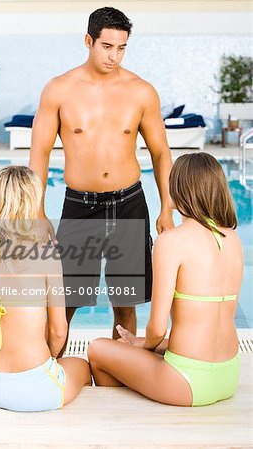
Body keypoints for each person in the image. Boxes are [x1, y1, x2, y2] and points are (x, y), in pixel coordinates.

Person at [29, 7, 173, 345]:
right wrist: (36, 210)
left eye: (121, 48)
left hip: (129, 203)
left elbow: (161, 152)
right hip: (81, 206)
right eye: (107, 46)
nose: (114, 56)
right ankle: (52, 369)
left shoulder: (141, 91)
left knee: (125, 301)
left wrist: (167, 207)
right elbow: (39, 153)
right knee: (66, 301)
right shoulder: (59, 90)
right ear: (88, 41)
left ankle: (121, 377)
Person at [88, 153, 243, 407]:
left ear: (179, 189)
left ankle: (124, 417)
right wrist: (156, 347)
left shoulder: (171, 242)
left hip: (187, 380)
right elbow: (214, 320)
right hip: (228, 373)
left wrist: (144, 344)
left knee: (98, 349)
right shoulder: (233, 239)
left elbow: (157, 328)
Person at [0, 166, 91, 412]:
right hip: (35, 389)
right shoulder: (44, 255)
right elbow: (58, 331)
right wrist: (44, 363)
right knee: (83, 367)